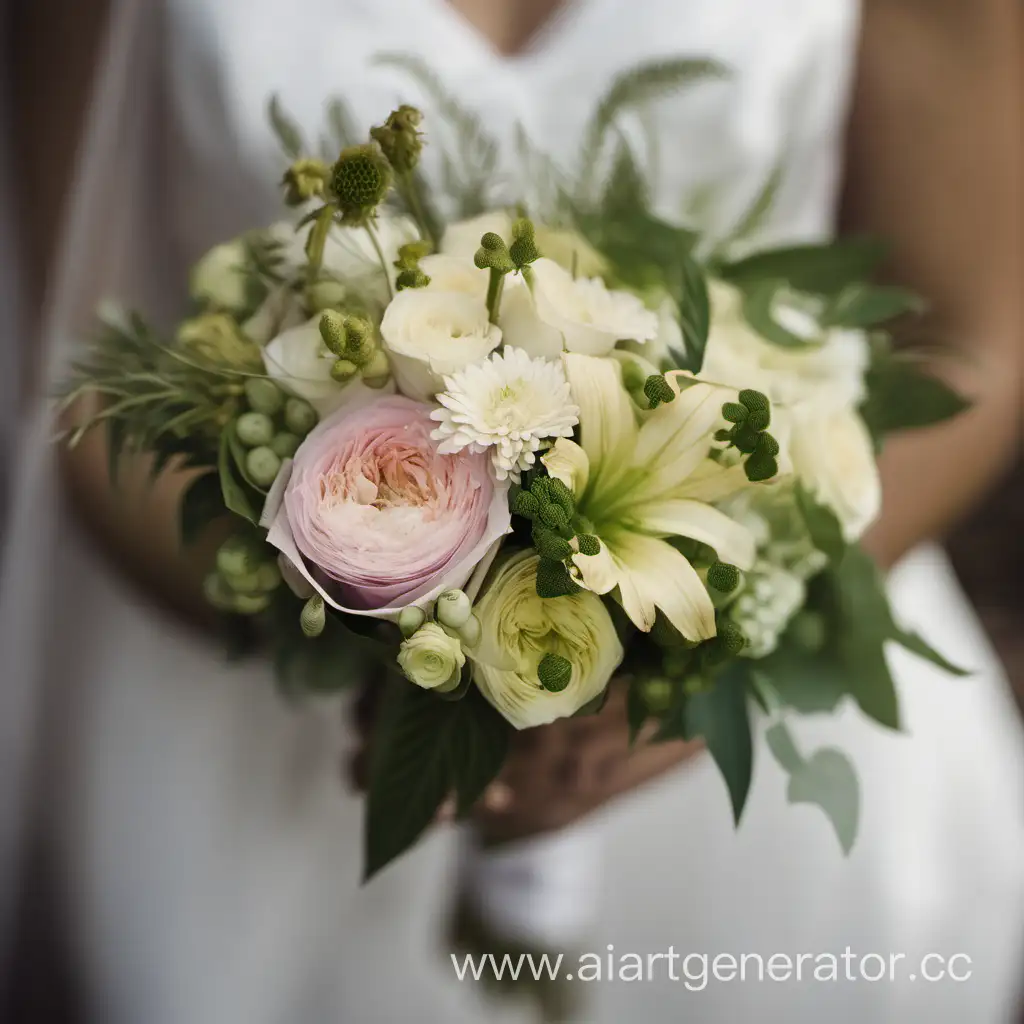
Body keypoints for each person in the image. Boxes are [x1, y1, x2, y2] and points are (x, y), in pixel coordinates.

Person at [2, 0, 1022, 1021]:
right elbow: (75, 383)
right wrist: (371, 611)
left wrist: (705, 648)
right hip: (250, 740)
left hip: (740, 720)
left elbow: (975, 344)